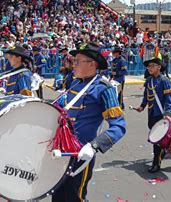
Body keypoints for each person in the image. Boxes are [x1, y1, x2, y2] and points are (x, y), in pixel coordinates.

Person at [52, 42, 126, 201]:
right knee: (57, 195)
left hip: (80, 154)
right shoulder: (75, 82)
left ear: (92, 64)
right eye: (73, 61)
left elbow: (119, 126)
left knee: (75, 196)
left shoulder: (103, 88)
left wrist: (94, 146)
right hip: (62, 151)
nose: (73, 65)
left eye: (77, 61)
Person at [135, 57, 171, 173]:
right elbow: (146, 95)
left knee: (157, 140)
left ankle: (156, 163)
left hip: (161, 114)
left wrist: (167, 114)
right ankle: (167, 148)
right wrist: (142, 106)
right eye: (149, 66)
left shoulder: (165, 80)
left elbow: (169, 99)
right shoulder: (148, 80)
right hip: (151, 113)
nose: (150, 68)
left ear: (159, 67)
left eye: (152, 66)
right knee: (158, 139)